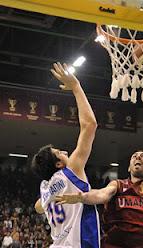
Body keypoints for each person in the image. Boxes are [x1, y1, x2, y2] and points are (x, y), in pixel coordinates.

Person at [56, 72, 143, 248]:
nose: (137, 157)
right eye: (134, 156)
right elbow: (102, 194)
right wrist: (82, 197)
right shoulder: (118, 185)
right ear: (128, 167)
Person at [31, 62, 99, 248]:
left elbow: (38, 207)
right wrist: (76, 87)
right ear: (59, 164)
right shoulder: (72, 170)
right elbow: (90, 125)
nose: (65, 152)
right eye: (59, 152)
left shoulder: (46, 188)